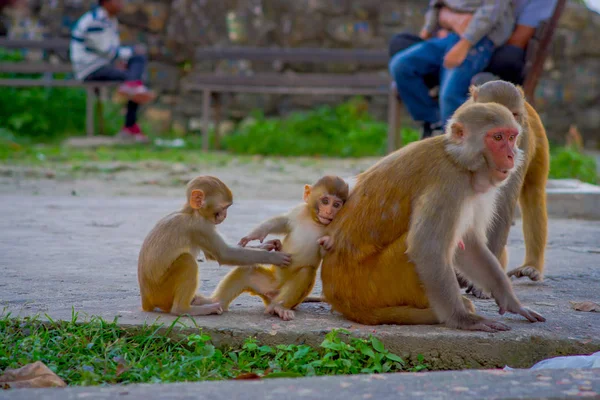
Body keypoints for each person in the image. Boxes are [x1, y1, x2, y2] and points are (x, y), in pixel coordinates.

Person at [388, 0, 558, 138]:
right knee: (401, 65)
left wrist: (465, 43)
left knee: (450, 95)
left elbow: (492, 13)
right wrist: (429, 31)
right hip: (450, 36)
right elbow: (437, 6)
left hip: (479, 41)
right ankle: (434, 122)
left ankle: (461, 148)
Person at [70, 0, 155, 142]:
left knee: (136, 76)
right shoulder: (95, 21)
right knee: (137, 60)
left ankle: (132, 90)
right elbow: (107, 51)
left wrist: (121, 60)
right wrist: (131, 53)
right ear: (106, 2)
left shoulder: (110, 20)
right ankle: (130, 125)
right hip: (90, 69)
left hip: (103, 65)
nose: (122, 3)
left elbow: (111, 51)